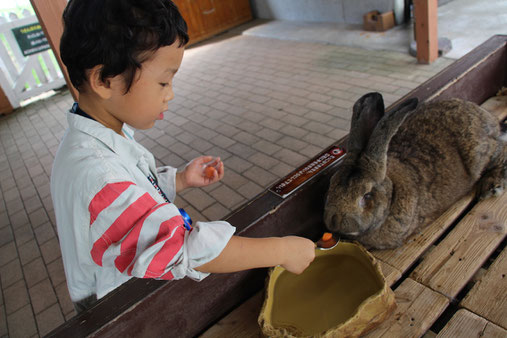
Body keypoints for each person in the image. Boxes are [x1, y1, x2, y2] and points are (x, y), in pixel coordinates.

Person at [50, 0, 315, 313]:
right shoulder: (98, 174)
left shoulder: (93, 135)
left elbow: (131, 196)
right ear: (103, 80)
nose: (170, 94)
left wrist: (178, 179)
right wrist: (281, 250)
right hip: (116, 308)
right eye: (164, 81)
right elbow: (180, 247)